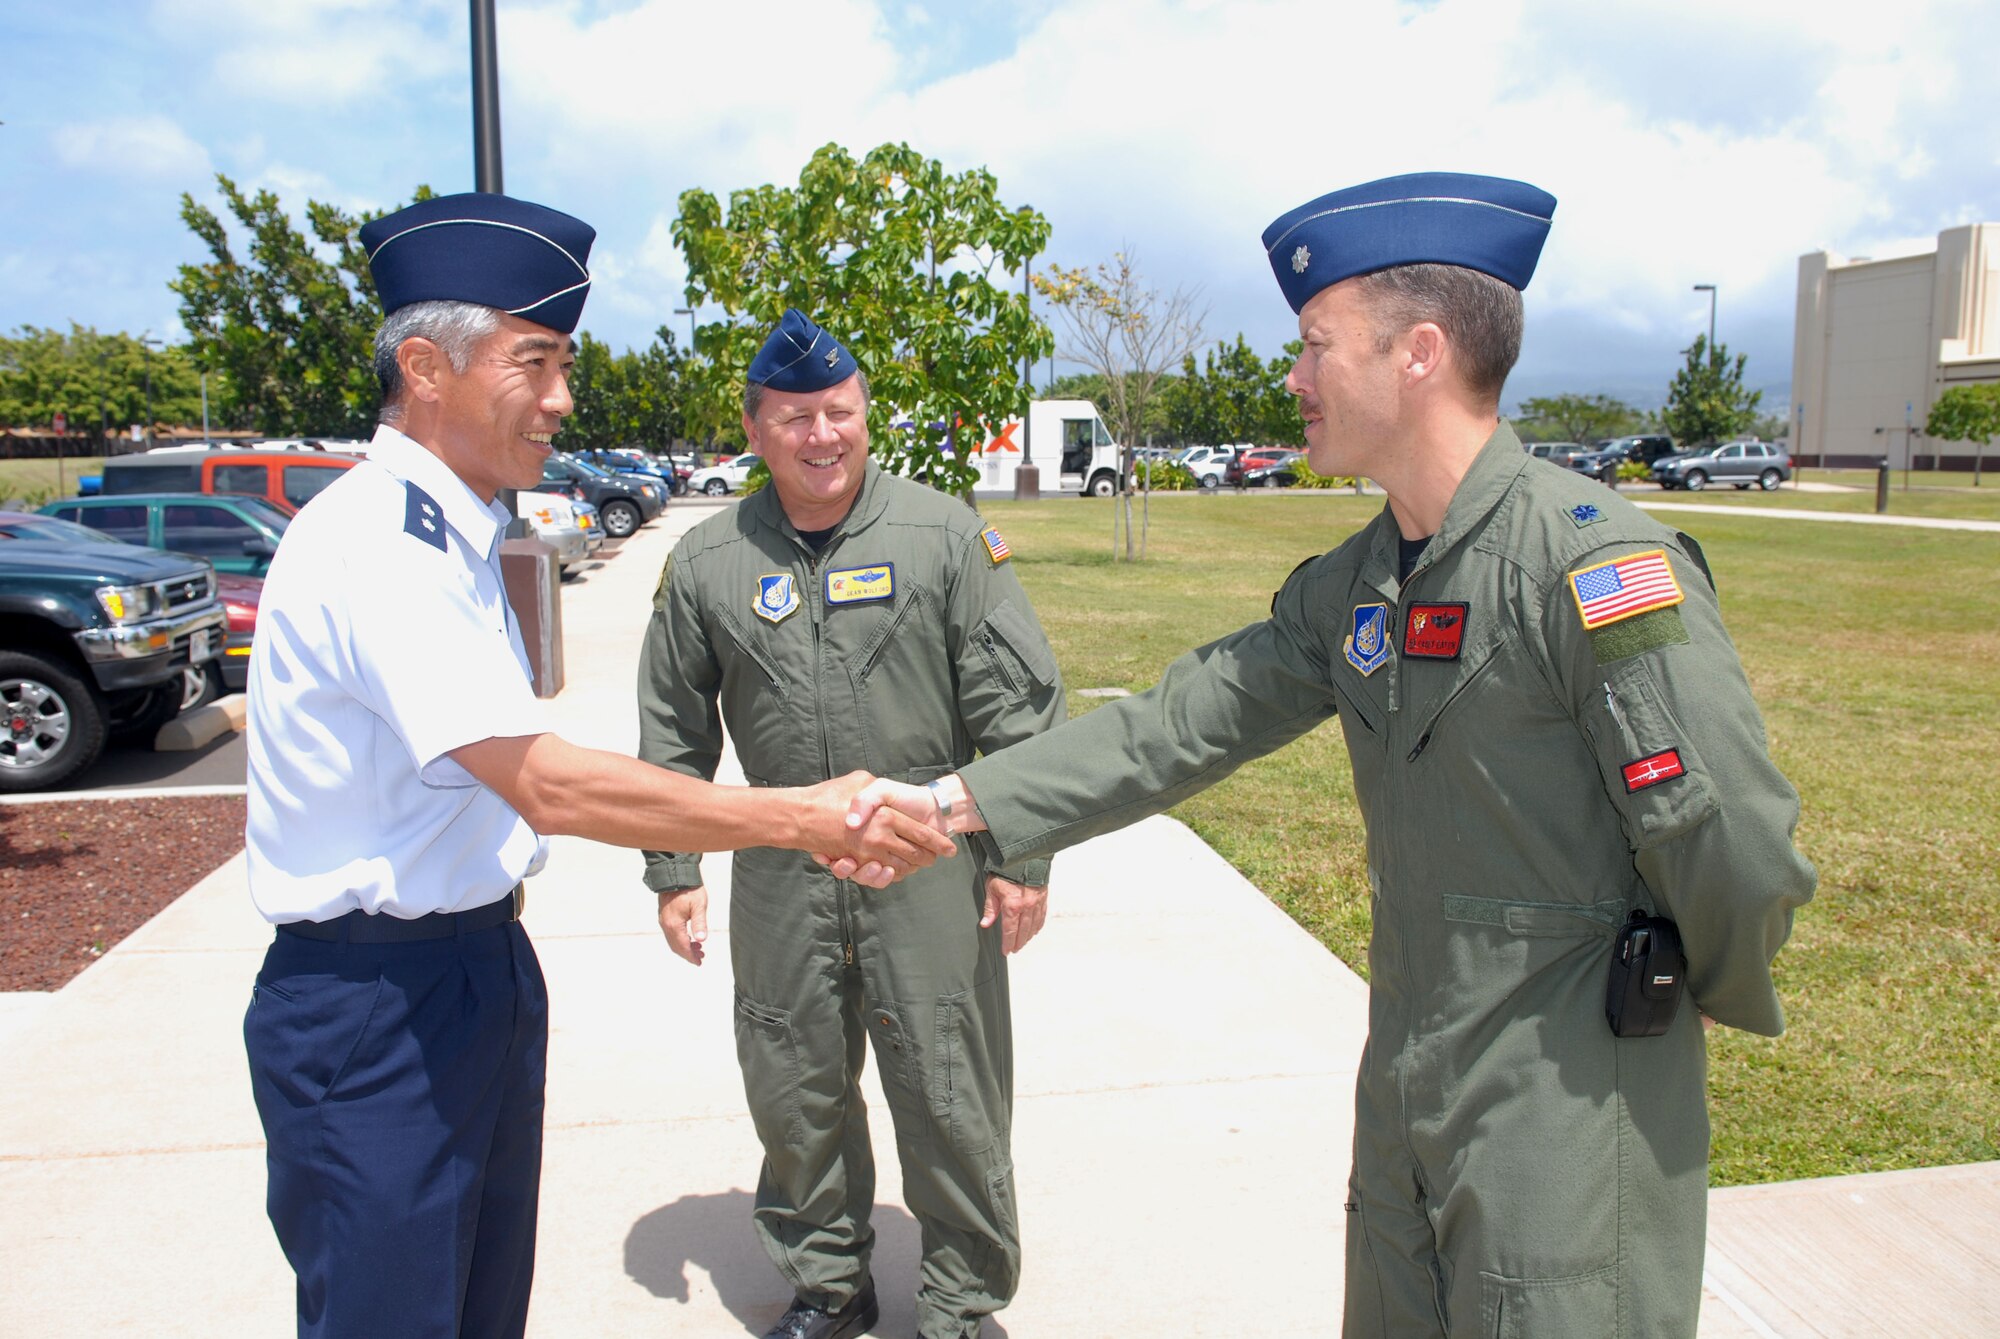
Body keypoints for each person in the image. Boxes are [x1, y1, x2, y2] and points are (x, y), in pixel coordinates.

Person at [845, 173, 1817, 1337]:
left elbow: (1731, 837)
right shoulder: (1358, 582)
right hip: (1407, 1072)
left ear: (1415, 354)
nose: (1292, 380)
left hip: (1567, 1092)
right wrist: (959, 798)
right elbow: (1178, 722)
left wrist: (1707, 984)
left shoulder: (1590, 569)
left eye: (1313, 347)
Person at [241, 196, 952, 1339]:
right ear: (424, 367)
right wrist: (800, 818)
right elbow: (547, 781)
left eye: (563, 362)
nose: (564, 399)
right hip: (376, 1003)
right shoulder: (378, 547)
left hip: (467, 970)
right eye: (537, 362)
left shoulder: (455, 536)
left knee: (473, 1307)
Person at [637, 309, 1066, 1339]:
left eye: (838, 411)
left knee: (949, 1086)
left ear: (865, 412)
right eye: (794, 417)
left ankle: (961, 1303)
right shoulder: (707, 562)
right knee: (794, 1086)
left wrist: (1022, 852)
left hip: (931, 862)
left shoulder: (944, 535)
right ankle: (827, 1287)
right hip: (784, 866)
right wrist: (673, 866)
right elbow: (671, 724)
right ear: (752, 429)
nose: (820, 435)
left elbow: (1016, 707)